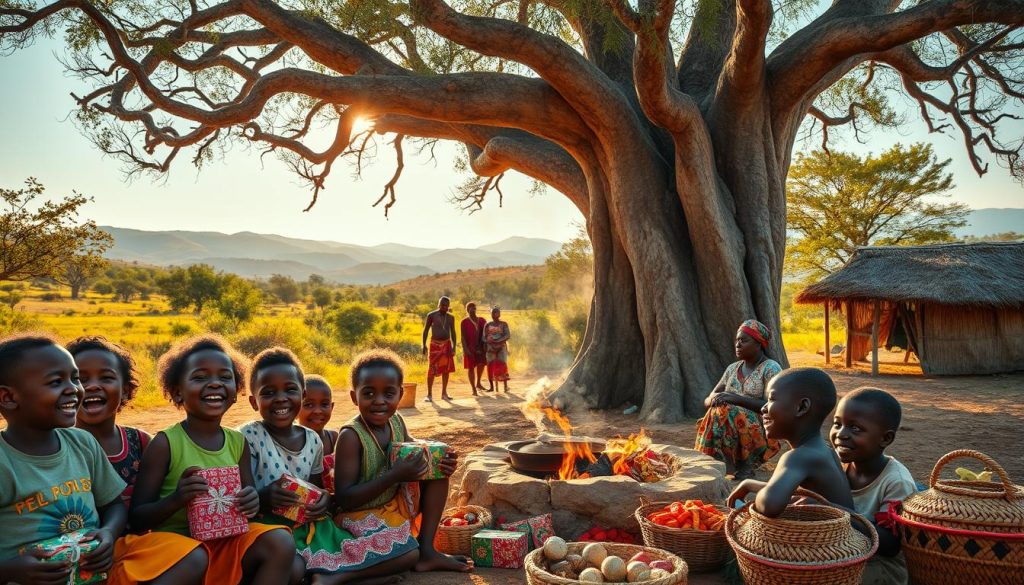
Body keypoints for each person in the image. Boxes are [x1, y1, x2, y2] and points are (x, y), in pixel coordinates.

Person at [128, 335, 299, 585]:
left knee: (283, 545)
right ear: (177, 392)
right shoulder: (166, 443)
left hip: (224, 540)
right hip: (177, 548)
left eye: (225, 377)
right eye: (200, 377)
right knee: (196, 558)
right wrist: (178, 499)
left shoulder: (237, 442)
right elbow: (137, 519)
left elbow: (248, 501)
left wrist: (251, 501)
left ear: (235, 391)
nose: (215, 384)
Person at [242, 347, 400, 585]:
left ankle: (336, 578)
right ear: (254, 402)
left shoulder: (312, 439)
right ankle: (342, 579)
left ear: (302, 394)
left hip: (311, 527)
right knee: (294, 569)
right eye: (269, 392)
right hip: (270, 530)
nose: (281, 398)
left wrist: (324, 499)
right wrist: (265, 496)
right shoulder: (248, 436)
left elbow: (316, 489)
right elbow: (244, 499)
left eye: (290, 389)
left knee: (406, 552)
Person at [0, 333, 128, 585]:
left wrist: (109, 533)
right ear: (8, 397)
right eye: (56, 382)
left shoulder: (82, 442)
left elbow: (113, 505)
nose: (74, 389)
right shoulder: (4, 461)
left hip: (93, 574)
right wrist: (9, 571)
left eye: (74, 378)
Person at [334, 349, 473, 576]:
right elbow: (345, 498)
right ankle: (353, 573)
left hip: (393, 507)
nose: (379, 401)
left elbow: (411, 448)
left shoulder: (396, 421)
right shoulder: (351, 436)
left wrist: (440, 457)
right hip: (358, 516)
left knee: (435, 471)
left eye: (388, 394)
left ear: (400, 394)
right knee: (405, 552)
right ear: (353, 397)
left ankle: (427, 549)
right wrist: (394, 476)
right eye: (369, 394)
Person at [727, 368, 855, 517]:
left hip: (835, 538)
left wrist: (756, 495)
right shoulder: (824, 449)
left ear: (801, 407)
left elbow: (770, 505)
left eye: (772, 399)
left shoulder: (798, 457)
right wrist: (749, 484)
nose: (763, 408)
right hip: (847, 534)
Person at [831, 388, 915, 585]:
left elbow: (890, 544)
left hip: (882, 568)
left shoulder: (896, 482)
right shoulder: (838, 465)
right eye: (837, 424)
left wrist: (834, 511)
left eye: (855, 428)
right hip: (847, 554)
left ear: (885, 438)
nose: (841, 434)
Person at [695, 319, 783, 480]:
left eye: (744, 340)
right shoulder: (732, 369)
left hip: (761, 429)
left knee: (728, 410)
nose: (738, 344)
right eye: (737, 340)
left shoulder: (770, 368)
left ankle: (745, 464)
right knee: (720, 410)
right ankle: (715, 463)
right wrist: (715, 400)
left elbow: (771, 406)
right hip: (726, 421)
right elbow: (708, 399)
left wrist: (734, 399)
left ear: (759, 343)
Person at [69, 336, 152, 506]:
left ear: (125, 391)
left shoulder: (141, 443)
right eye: (80, 380)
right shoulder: (56, 445)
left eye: (106, 377)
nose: (92, 386)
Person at [299, 375, 338, 494]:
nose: (317, 411)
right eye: (308, 405)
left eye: (324, 404)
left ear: (332, 407)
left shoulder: (334, 438)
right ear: (295, 406)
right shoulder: (292, 443)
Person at [420, 297, 456, 402]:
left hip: (447, 344)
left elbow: (453, 332)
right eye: (442, 305)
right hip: (434, 345)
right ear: (438, 304)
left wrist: (454, 347)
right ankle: (429, 394)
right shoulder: (431, 315)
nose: (444, 307)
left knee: (446, 369)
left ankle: (444, 393)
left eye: (446, 305)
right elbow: (425, 330)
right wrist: (423, 344)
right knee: (432, 369)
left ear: (448, 306)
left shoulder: (450, 317)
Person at [460, 302, 488, 396]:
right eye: (470, 308)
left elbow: (486, 333)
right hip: (470, 348)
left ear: (476, 309)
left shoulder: (482, 320)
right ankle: (473, 389)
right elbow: (463, 337)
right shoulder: (464, 322)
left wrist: (484, 346)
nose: (472, 309)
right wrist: (466, 349)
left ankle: (478, 383)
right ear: (467, 310)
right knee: (471, 368)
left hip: (480, 347)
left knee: (481, 364)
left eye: (474, 308)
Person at [484, 307, 511, 393]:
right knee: (490, 366)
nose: (495, 314)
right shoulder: (488, 324)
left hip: (501, 347)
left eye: (497, 312)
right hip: (490, 348)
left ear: (499, 314)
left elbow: (507, 335)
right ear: (491, 314)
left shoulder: (504, 324)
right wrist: (489, 341)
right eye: (493, 312)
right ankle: (492, 387)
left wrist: (498, 341)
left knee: (502, 364)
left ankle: (505, 386)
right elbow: (483, 337)